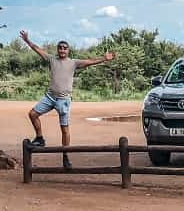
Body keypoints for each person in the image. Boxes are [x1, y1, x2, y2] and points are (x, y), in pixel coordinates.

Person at [20, 30, 115, 171]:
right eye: (60, 47)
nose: (62, 50)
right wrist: (27, 40)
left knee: (64, 129)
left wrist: (104, 58)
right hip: (50, 97)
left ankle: (65, 156)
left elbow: (89, 62)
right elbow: (37, 49)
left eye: (65, 48)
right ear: (57, 50)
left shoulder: (73, 63)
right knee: (33, 114)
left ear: (68, 50)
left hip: (64, 100)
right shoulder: (52, 60)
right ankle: (40, 138)